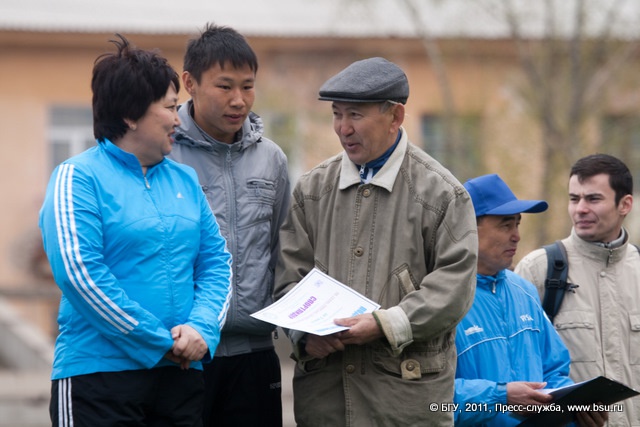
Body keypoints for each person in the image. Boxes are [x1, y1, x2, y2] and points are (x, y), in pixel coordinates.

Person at [39, 35, 232, 426]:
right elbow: (80, 274)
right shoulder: (77, 178)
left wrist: (202, 329)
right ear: (130, 114)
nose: (179, 119)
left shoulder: (184, 180)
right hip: (99, 378)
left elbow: (217, 263)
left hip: (180, 378)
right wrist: (158, 342)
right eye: (170, 107)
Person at [274, 56, 478, 427]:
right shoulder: (312, 190)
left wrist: (387, 324)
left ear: (395, 116)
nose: (343, 128)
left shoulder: (442, 194)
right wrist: (303, 335)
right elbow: (289, 277)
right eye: (337, 114)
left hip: (404, 404)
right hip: (325, 403)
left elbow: (455, 288)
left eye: (355, 115)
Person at [167, 23, 290, 427]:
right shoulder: (164, 154)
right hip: (183, 354)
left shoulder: (272, 159)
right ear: (190, 83)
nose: (239, 100)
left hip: (255, 355)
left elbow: (284, 252)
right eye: (224, 86)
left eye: (248, 86)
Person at [454, 174, 607, 427]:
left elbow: (553, 372)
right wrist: (500, 397)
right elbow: (428, 397)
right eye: (505, 225)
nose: (516, 236)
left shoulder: (523, 290)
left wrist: (576, 410)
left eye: (517, 224)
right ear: (467, 228)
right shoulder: (440, 298)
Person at [516, 154, 640, 426]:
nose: (580, 209)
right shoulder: (538, 270)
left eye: (593, 199)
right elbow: (517, 369)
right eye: (574, 199)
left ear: (625, 204)